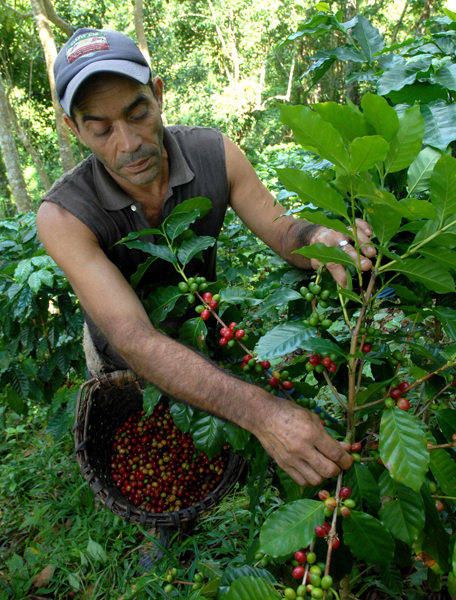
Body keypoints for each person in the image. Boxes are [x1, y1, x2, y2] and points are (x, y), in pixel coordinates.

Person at [37, 28, 376, 487]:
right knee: (158, 460)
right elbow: (133, 338)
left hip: (206, 329)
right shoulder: (64, 215)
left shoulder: (215, 153)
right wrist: (261, 412)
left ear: (158, 95)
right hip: (124, 360)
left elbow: (282, 229)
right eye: (101, 129)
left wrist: (322, 239)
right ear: (73, 128)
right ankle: (168, 530)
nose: (129, 143)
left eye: (138, 114)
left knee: (210, 449)